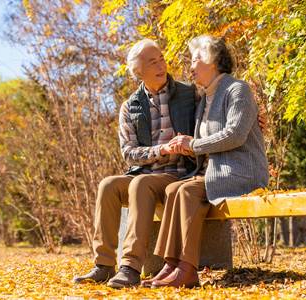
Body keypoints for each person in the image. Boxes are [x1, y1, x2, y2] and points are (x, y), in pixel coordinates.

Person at [141, 35, 269, 289]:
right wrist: (186, 144)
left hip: (242, 172)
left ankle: (187, 269)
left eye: (195, 59)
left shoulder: (237, 90)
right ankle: (171, 263)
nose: (190, 66)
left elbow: (235, 135)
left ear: (211, 60)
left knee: (187, 189)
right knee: (173, 188)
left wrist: (194, 145)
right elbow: (205, 142)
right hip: (216, 173)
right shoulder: (205, 99)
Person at [73, 39, 197, 288]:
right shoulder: (130, 106)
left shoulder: (189, 94)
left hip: (179, 174)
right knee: (108, 185)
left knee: (141, 183)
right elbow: (129, 153)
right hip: (143, 172)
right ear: (138, 72)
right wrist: (160, 149)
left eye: (161, 58)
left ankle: (130, 267)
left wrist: (251, 119)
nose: (161, 64)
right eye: (152, 62)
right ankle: (104, 265)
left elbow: (219, 113)